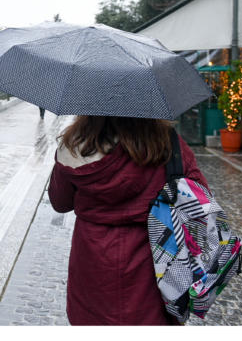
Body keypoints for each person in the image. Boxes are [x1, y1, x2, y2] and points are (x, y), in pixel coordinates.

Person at [47, 116, 209, 326]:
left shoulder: (74, 146)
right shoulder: (169, 144)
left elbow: (60, 202)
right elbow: (200, 201)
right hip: (155, 264)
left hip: (93, 261)